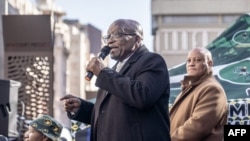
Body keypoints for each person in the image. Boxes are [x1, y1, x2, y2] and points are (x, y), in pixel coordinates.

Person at [60, 19, 171, 141]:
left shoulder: (152, 61)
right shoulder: (113, 70)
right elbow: (107, 113)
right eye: (108, 36)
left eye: (117, 34)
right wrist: (81, 108)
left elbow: (142, 96)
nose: (110, 41)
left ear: (137, 39)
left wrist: (103, 73)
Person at [169, 47, 228, 141]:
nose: (191, 64)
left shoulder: (212, 89)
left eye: (198, 60)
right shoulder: (189, 89)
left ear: (210, 63)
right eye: (188, 61)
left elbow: (197, 127)